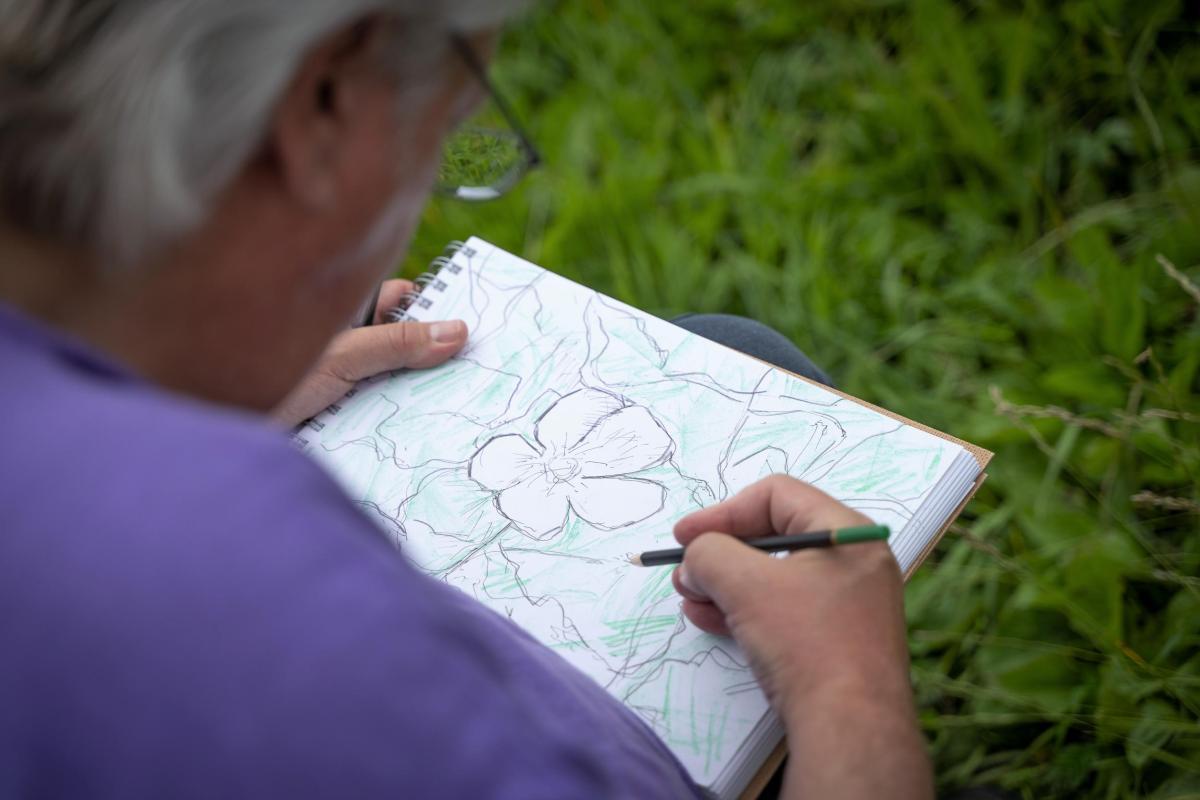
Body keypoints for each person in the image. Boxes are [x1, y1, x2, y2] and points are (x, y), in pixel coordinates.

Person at [0, 2, 934, 798]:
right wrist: (850, 696)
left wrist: (202, 380)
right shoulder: (285, 619)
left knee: (735, 350)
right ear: (324, 106)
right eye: (447, 139)